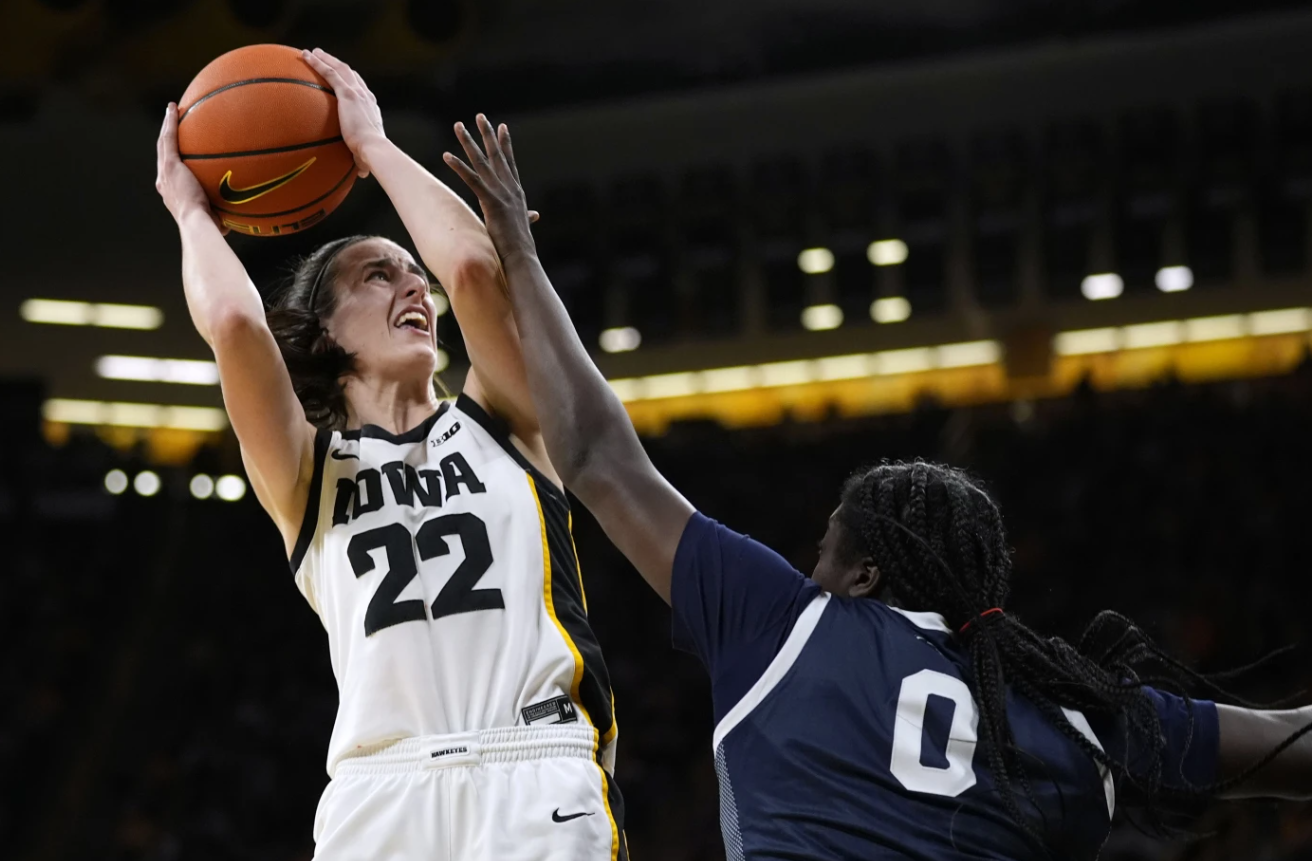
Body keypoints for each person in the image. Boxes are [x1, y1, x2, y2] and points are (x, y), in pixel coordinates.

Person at [444, 115, 1312, 860]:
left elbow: (595, 452)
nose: (806, 569)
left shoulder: (784, 622)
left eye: (823, 551)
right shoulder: (1080, 708)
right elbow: (1289, 741)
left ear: (863, 574)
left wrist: (520, 255)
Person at [154, 51, 625, 861]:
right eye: (380, 275)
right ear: (326, 332)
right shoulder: (305, 475)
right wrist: (192, 213)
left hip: (530, 768)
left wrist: (368, 143)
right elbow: (236, 326)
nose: (417, 288)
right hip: (378, 794)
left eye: (416, 275)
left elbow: (476, 265)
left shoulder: (506, 421)